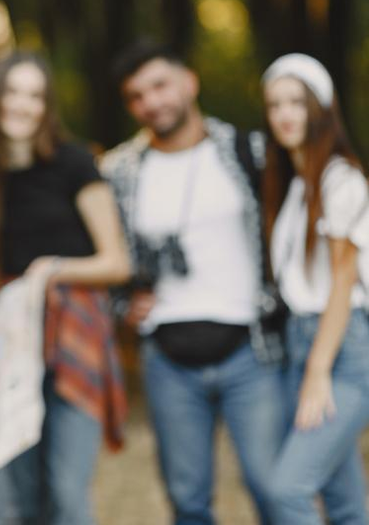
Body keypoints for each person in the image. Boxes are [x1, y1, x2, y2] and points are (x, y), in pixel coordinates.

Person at [100, 41, 286, 525]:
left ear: (188, 82)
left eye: (160, 85)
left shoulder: (251, 153)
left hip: (251, 350)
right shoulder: (120, 171)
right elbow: (106, 252)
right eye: (136, 96)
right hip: (167, 358)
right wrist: (122, 305)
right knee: (188, 501)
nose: (152, 102)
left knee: (275, 489)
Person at [0, 52, 130, 525]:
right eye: (12, 92)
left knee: (67, 493)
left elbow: (116, 263)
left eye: (34, 95)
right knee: (19, 494)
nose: (22, 105)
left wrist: (52, 270)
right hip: (11, 344)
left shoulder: (74, 163)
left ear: (47, 106)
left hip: (73, 337)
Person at [261, 54, 369, 524]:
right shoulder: (296, 188)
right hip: (302, 343)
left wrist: (319, 369)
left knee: (287, 489)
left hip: (341, 351)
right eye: (275, 104)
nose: (285, 113)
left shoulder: (340, 180)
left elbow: (344, 280)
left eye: (297, 103)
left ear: (322, 109)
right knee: (344, 500)